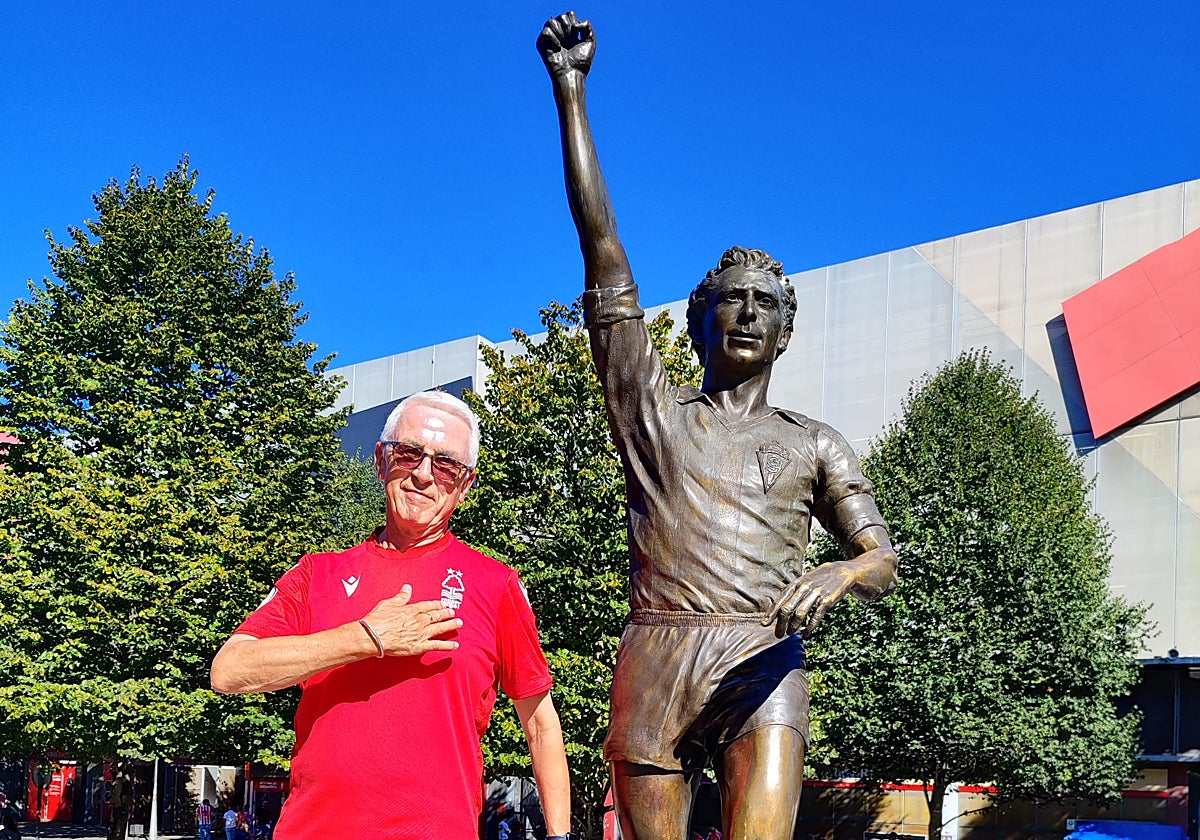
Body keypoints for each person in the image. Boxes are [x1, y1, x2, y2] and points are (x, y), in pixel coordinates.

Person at [538, 12, 898, 840]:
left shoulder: (815, 441)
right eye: (729, 299)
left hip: (764, 657)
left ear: (784, 332)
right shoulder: (653, 417)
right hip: (658, 653)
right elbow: (604, 249)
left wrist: (840, 576)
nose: (745, 311)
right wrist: (571, 93)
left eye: (763, 304)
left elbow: (881, 556)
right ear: (698, 321)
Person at [211, 391, 572, 840]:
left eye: (445, 465)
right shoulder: (317, 573)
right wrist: (364, 637)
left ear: (464, 486)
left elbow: (539, 723)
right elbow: (228, 671)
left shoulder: (496, 585)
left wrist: (559, 836)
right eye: (409, 453)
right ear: (382, 461)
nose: (423, 474)